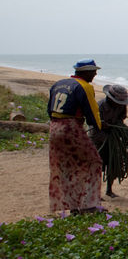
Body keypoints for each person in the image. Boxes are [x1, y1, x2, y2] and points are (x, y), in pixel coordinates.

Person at [47, 59, 104, 214]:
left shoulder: (58, 84)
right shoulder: (85, 87)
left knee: (67, 166)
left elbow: (49, 110)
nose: (95, 74)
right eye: (93, 71)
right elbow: (92, 113)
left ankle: (73, 206)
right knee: (94, 162)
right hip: (71, 127)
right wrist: (99, 126)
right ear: (85, 72)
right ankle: (89, 205)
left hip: (54, 127)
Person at [90, 84, 128, 198]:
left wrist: (116, 126)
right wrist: (101, 124)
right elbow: (92, 122)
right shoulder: (99, 105)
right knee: (97, 165)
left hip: (113, 137)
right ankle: (96, 192)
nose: (118, 104)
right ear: (109, 98)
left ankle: (109, 190)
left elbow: (122, 117)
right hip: (98, 138)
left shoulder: (121, 106)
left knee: (113, 163)